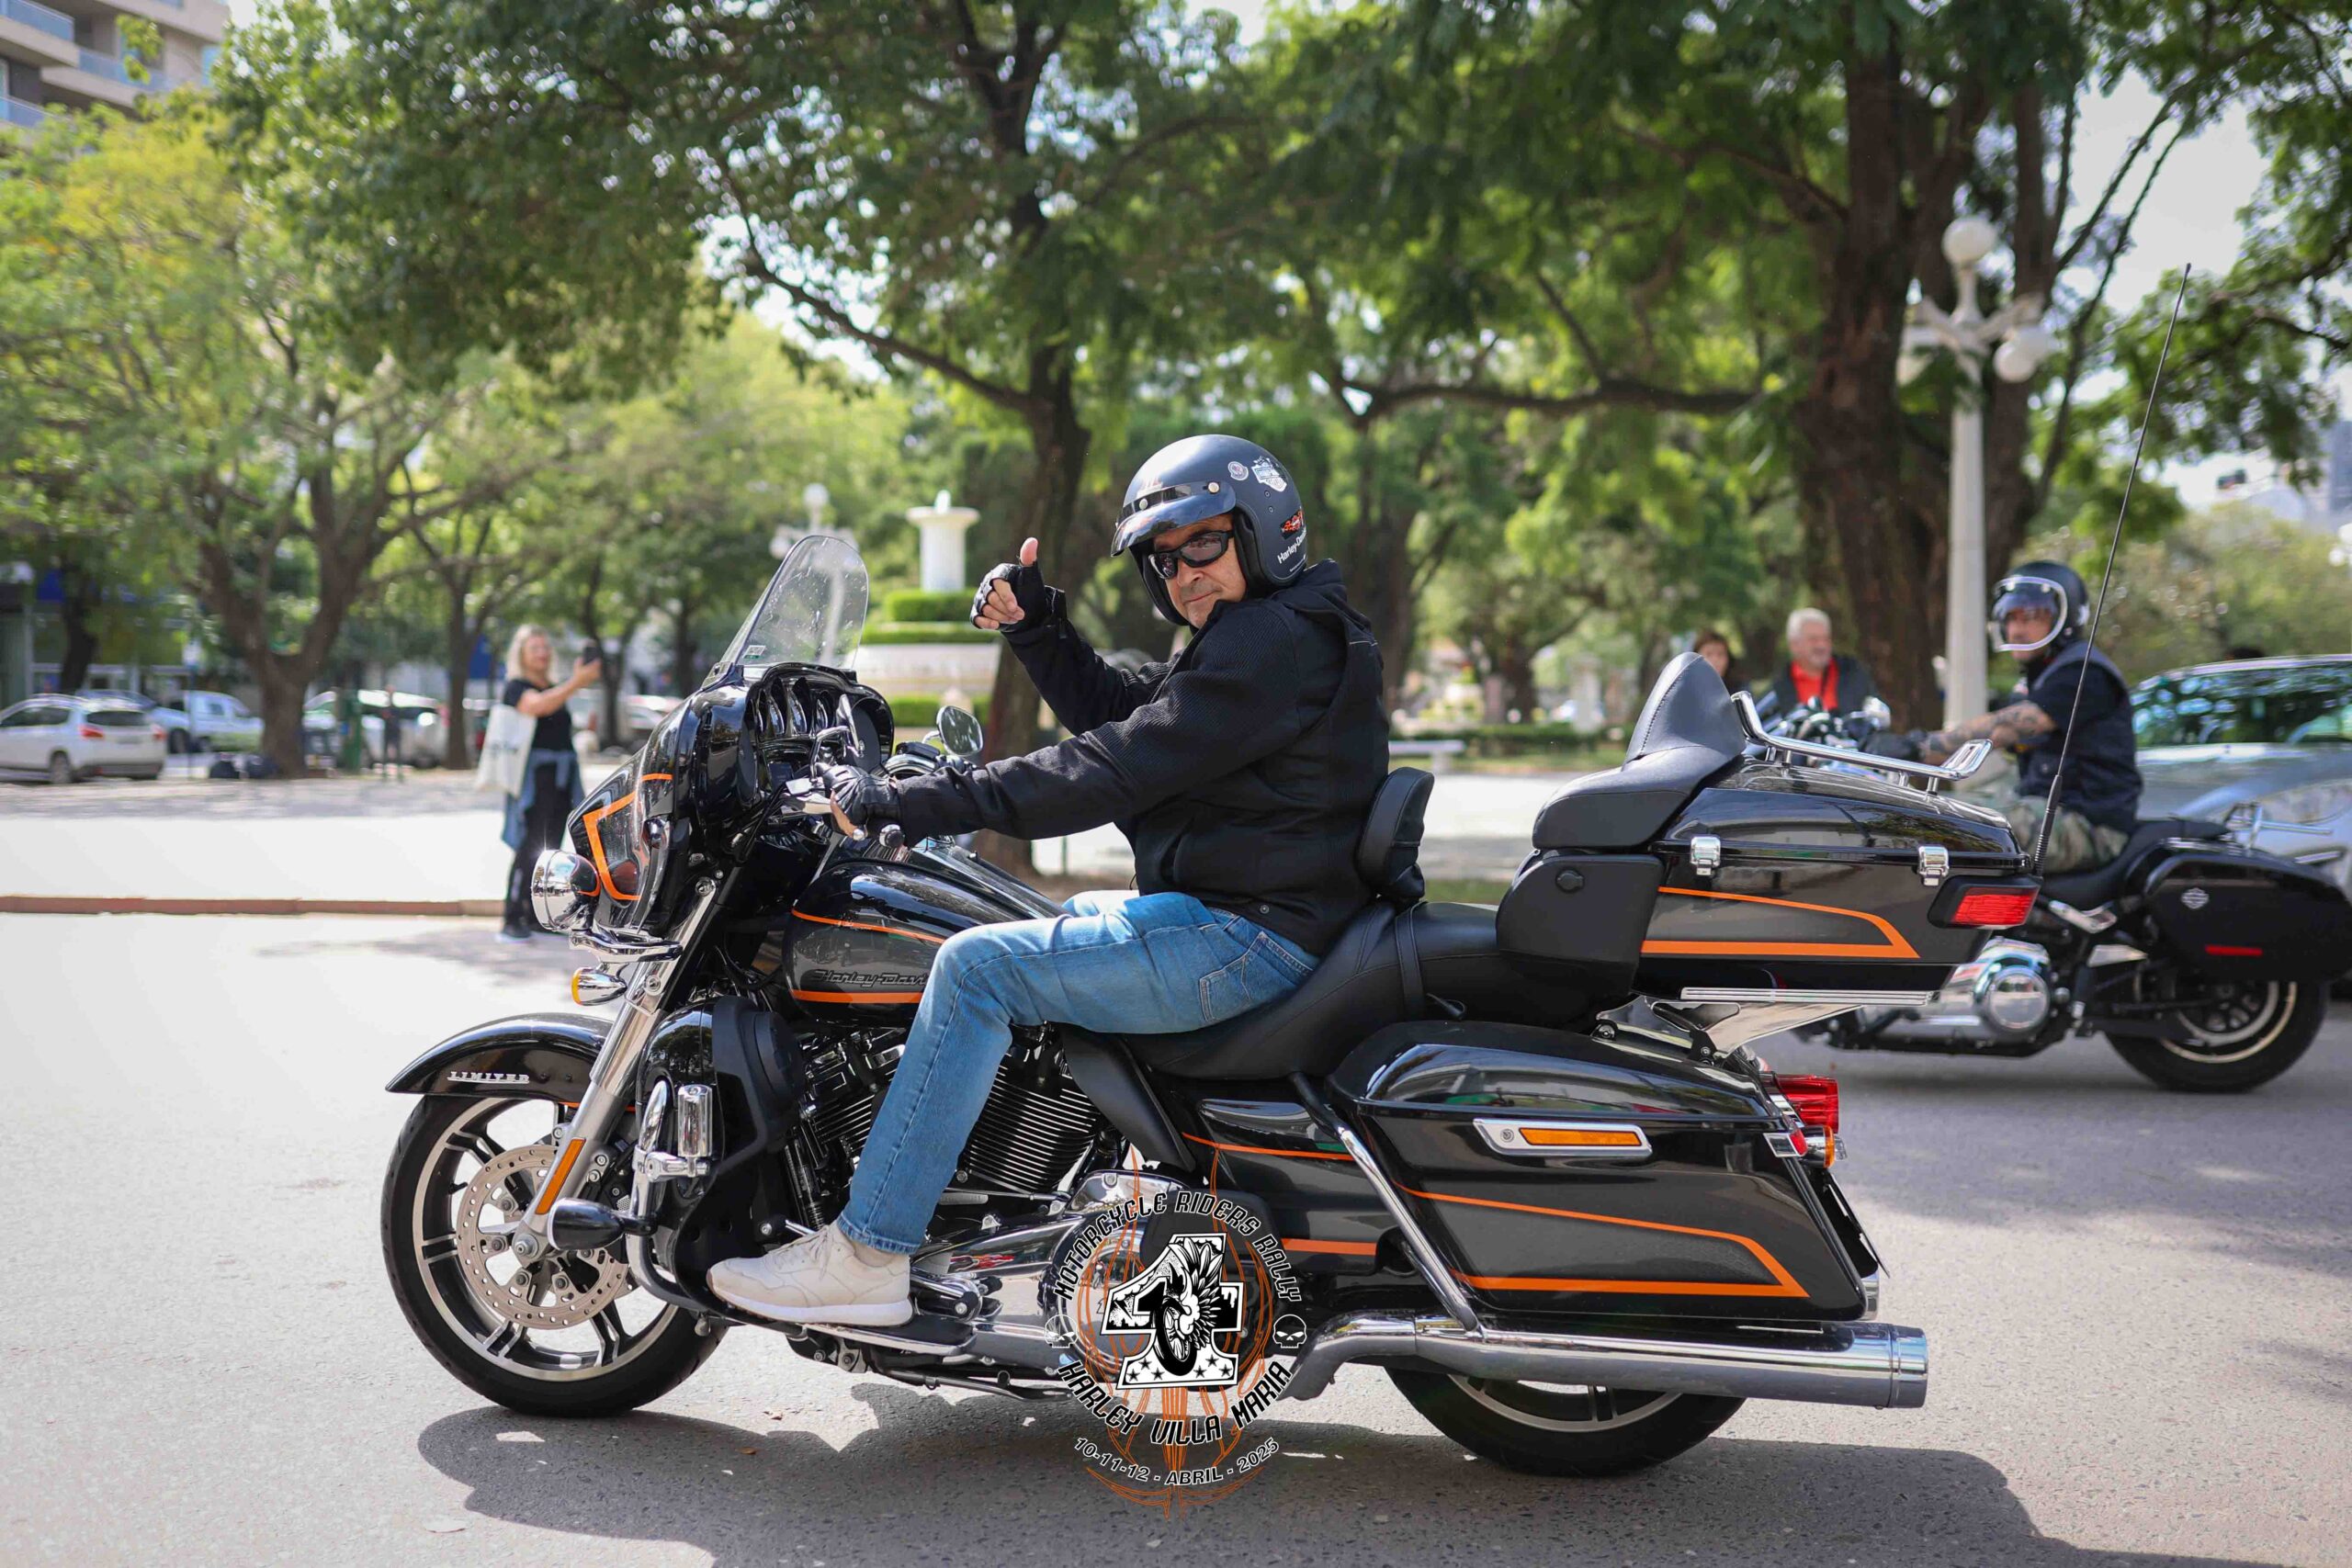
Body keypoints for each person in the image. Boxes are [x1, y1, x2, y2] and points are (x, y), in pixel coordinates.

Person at [707, 434, 1387, 1325]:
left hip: (1246, 935)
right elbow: (1134, 716)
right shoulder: (1273, 634)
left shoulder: (1273, 639)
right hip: (1260, 917)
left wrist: (906, 803)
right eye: (1165, 560)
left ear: (1264, 531)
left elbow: (1111, 765)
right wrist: (1037, 629)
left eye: (1204, 544)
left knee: (975, 970)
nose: (1185, 574)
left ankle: (868, 1251)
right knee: (1039, 918)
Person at [1879, 561, 2140, 873]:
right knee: (1920, 807)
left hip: (2090, 827)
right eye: (2011, 617)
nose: (2016, 629)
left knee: (1937, 822)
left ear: (2066, 617)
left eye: (2031, 617)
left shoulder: (2084, 674)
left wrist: (1915, 747)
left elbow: (2003, 728)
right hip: (2043, 808)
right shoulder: (2039, 677)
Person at [497, 626, 601, 942]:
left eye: (545, 647)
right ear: (521, 654)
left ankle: (535, 917)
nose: (542, 653)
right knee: (529, 843)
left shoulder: (554, 687)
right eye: (535, 648)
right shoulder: (516, 687)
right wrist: (577, 682)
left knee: (551, 844)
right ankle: (512, 916)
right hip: (536, 777)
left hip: (561, 775)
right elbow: (537, 706)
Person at [1765, 607, 1878, 716]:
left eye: (1826, 638)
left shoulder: (1853, 673)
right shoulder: (1778, 688)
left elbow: (1875, 714)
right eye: (1813, 639)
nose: (1822, 645)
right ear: (1794, 645)